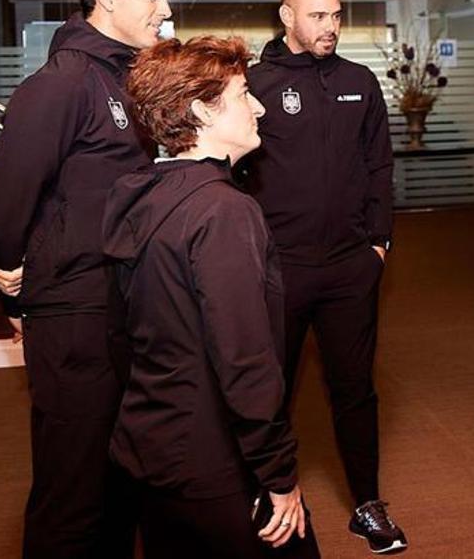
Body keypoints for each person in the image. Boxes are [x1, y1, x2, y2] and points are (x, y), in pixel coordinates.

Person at [0, 0, 181, 558]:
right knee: (73, 485)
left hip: (123, 301)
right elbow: (10, 194)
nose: (164, 11)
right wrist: (10, 272)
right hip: (74, 310)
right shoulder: (62, 84)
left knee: (124, 470)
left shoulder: (126, 78)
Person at [103, 35, 318, 558]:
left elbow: (120, 335)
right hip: (216, 461)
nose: (260, 106)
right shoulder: (223, 211)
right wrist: (279, 474)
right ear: (202, 110)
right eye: (245, 94)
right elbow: (244, 359)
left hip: (148, 448)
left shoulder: (134, 193)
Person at [241, 0, 404, 555]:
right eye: (317, 16)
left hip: (348, 269)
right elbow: (232, 172)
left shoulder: (360, 81)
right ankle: (265, 496)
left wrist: (378, 243)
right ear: (287, 18)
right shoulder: (254, 84)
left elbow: (379, 167)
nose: (330, 26)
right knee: (269, 390)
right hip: (279, 269)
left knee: (355, 389)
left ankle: (367, 503)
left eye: (335, 15)